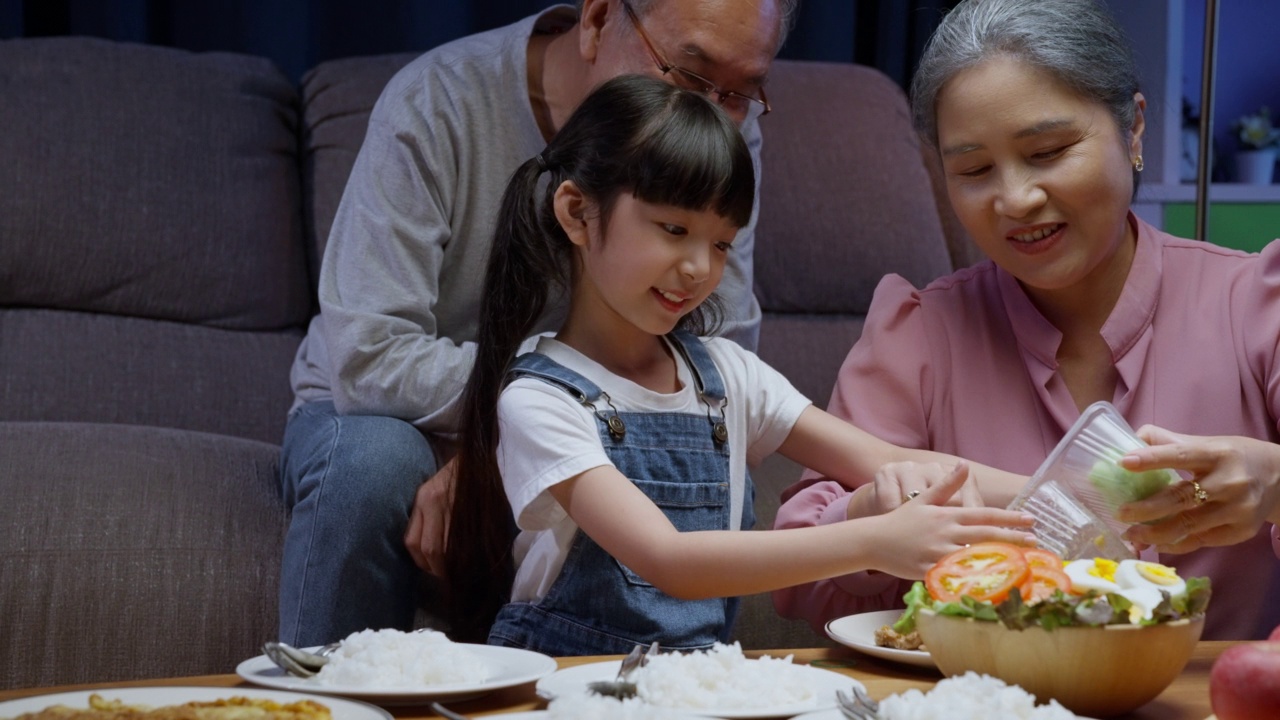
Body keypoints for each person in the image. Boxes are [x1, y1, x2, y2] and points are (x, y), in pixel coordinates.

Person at [442, 73, 1036, 653]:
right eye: (674, 229)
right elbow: (670, 561)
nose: (700, 267)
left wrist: (1065, 489)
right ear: (576, 212)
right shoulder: (540, 399)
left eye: (721, 243)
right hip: (566, 683)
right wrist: (876, 542)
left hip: (692, 684)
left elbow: (886, 460)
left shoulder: (728, 376)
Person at [277, 0, 799, 646]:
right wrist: (511, 422)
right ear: (599, 19)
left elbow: (718, 350)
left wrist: (527, 433)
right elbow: (368, 357)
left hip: (583, 424)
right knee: (371, 464)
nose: (715, 117)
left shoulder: (721, 123)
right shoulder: (439, 101)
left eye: (743, 93)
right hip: (404, 417)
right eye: (691, 78)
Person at [772, 0, 1280, 640]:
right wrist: (870, 518)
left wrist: (1275, 483)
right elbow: (799, 581)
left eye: (1048, 150)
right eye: (974, 170)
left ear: (1134, 129)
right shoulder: (920, 334)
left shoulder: (1256, 305)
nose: (1015, 199)